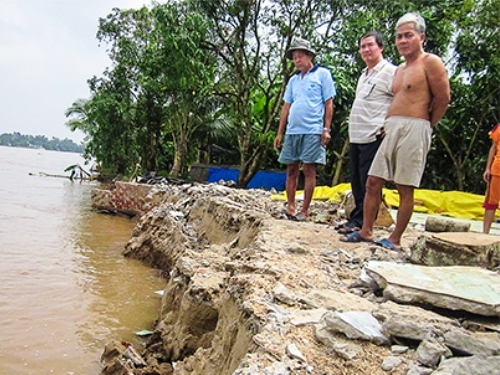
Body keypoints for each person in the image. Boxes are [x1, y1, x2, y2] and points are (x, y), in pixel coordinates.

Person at [340, 12, 450, 249]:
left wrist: (427, 124)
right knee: (372, 181)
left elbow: (443, 98)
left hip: (415, 126)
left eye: (408, 35)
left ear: (421, 37)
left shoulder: (430, 62)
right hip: (391, 128)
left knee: (404, 186)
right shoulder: (399, 70)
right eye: (399, 36)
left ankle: (395, 239)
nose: (402, 41)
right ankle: (366, 229)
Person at [336, 31, 397, 235]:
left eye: (370, 45)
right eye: (362, 46)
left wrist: (387, 126)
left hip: (374, 136)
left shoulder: (390, 72)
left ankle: (364, 224)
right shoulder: (364, 74)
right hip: (357, 135)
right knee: (356, 181)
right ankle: (355, 219)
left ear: (381, 47)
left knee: (369, 182)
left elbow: (401, 99)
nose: (366, 50)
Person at [274, 37, 336, 221]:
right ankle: (291, 206)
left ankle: (305, 210)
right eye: (294, 58)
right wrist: (280, 132)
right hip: (293, 131)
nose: (297, 60)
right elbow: (286, 107)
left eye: (300, 56)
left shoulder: (323, 75)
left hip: (313, 129)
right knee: (291, 169)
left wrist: (326, 128)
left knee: (309, 169)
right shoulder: (293, 81)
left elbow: (328, 103)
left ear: (309, 56)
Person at [482, 123, 500, 234]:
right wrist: (488, 168)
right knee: (491, 202)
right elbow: (493, 147)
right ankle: (485, 233)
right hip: (497, 169)